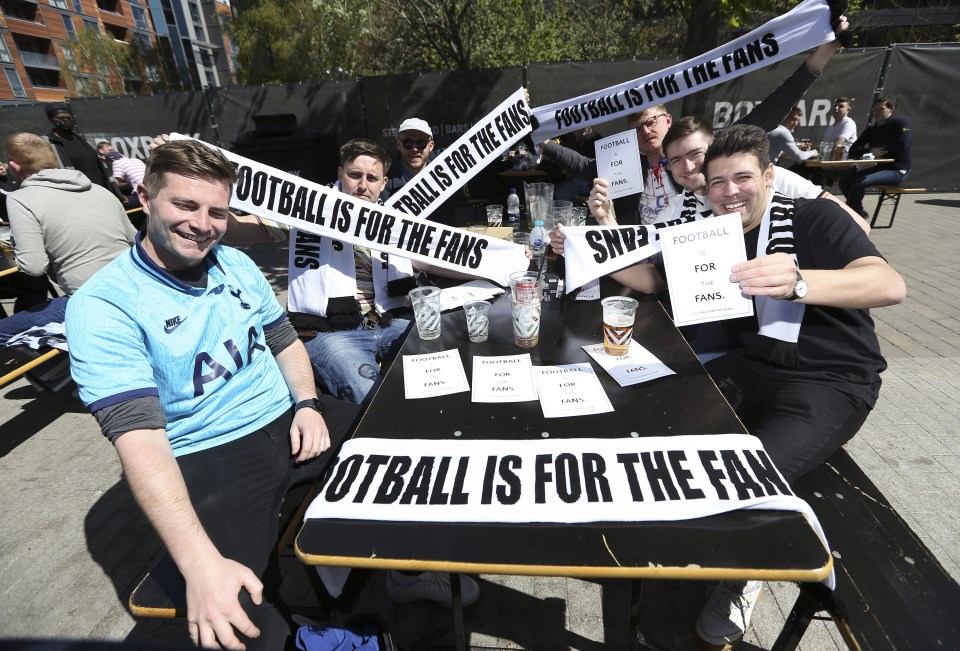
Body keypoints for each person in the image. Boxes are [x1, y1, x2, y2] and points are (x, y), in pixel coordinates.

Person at [609, 124, 905, 647]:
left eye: (742, 177)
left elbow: (888, 284)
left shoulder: (814, 216)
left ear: (769, 176)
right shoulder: (714, 233)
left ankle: (744, 576)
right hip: (753, 365)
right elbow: (657, 281)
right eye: (717, 181)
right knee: (653, 415)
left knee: (744, 482)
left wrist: (800, 281)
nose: (729, 191)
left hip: (830, 381)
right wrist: (593, 252)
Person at [65, 139, 363, 650]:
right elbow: (141, 443)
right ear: (144, 196)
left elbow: (285, 341)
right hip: (212, 453)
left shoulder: (235, 264)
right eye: (185, 204)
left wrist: (308, 405)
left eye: (217, 211)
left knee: (399, 445)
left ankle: (394, 577)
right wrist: (199, 564)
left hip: (287, 418)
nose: (203, 224)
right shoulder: (104, 306)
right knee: (235, 618)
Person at [540, 17, 850, 225]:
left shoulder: (710, 151)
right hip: (646, 255)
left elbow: (769, 111)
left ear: (668, 120)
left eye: (651, 121)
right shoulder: (625, 163)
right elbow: (582, 166)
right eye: (636, 127)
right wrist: (542, 140)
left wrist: (822, 54)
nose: (645, 130)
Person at [0, 133, 136, 345]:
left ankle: (55, 372)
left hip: (91, 299)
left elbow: (33, 266)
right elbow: (135, 239)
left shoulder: (21, 199)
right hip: (136, 288)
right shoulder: (99, 190)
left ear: (14, 166)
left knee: (3, 331)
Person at [840, 96, 912, 218]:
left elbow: (902, 144)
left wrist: (883, 150)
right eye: (875, 109)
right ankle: (857, 210)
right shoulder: (871, 130)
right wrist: (870, 151)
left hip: (897, 170)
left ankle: (855, 212)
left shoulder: (901, 123)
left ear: (891, 109)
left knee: (859, 182)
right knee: (844, 180)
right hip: (880, 167)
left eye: (881, 109)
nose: (877, 112)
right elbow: (854, 149)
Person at [42, 103, 120, 199]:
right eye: (60, 118)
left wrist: (116, 191)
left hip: (102, 192)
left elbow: (101, 167)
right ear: (51, 119)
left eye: (68, 118)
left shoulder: (83, 140)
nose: (65, 121)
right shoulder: (49, 144)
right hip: (80, 196)